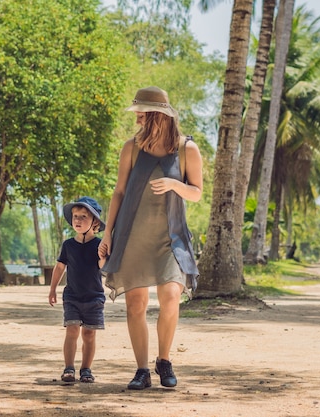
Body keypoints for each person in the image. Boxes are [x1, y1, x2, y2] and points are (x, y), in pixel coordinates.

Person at [98, 86, 203, 390]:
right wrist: (107, 234)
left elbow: (196, 193)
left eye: (141, 114)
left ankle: (164, 360)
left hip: (171, 239)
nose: (137, 120)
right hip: (132, 236)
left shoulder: (187, 150)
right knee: (135, 303)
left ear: (159, 115)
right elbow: (118, 192)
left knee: (171, 295)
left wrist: (174, 183)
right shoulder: (131, 147)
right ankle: (142, 370)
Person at [48, 196, 107, 384]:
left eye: (83, 216)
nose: (78, 220)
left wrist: (103, 256)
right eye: (75, 216)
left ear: (94, 222)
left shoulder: (99, 245)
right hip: (72, 296)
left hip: (94, 297)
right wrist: (52, 290)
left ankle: (86, 370)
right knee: (72, 330)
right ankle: (69, 368)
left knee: (89, 334)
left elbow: (104, 267)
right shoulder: (68, 245)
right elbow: (59, 268)